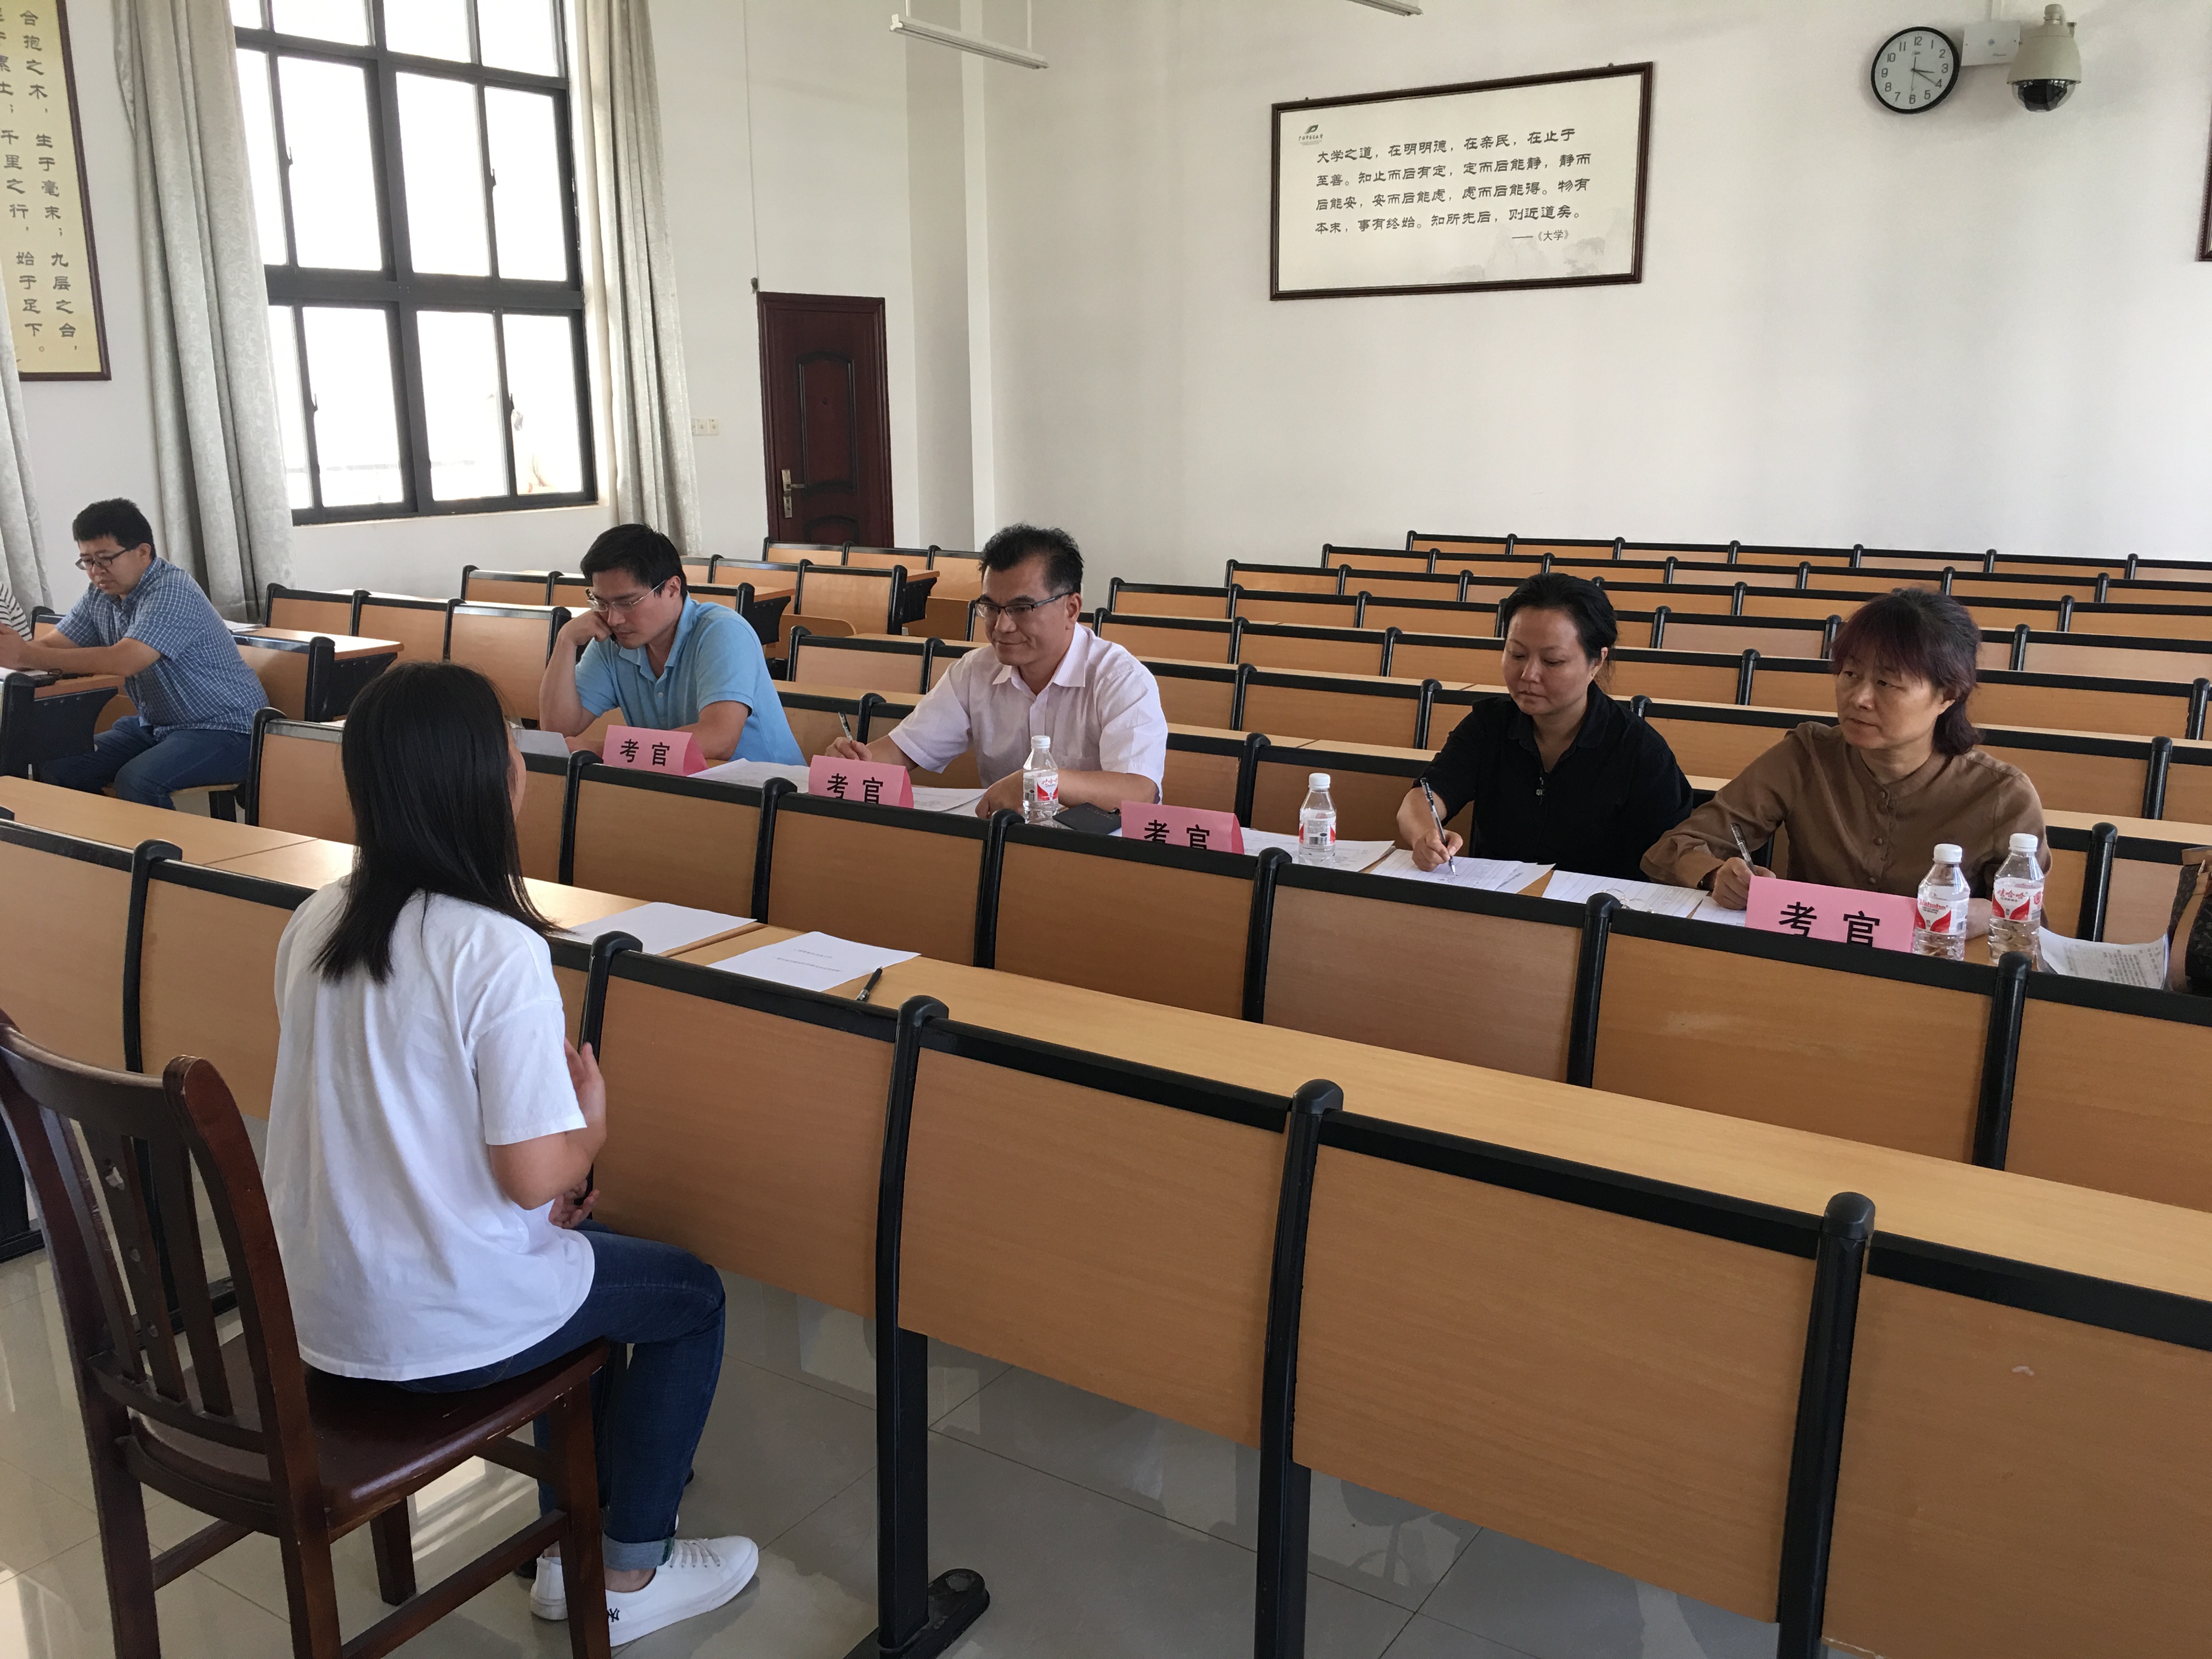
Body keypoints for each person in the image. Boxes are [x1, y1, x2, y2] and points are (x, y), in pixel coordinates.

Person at [264, 661, 755, 1645]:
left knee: (584, 1256)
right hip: (434, 1324)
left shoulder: (316, 917)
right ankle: (629, 1568)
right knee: (691, 1296)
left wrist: (544, 1201)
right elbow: (535, 1174)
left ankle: (571, 1533)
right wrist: (590, 1133)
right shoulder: (494, 946)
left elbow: (397, 1124)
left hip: (315, 1306)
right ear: (496, 778)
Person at [1643, 588, 2047, 906]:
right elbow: (1673, 849)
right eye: (1850, 674)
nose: (1859, 698)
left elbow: (2026, 932)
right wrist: (1716, 876)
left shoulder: (2001, 795)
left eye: (1887, 683)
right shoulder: (1808, 754)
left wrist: (1987, 914)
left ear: (1948, 695)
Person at [826, 523, 1167, 814]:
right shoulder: (975, 671)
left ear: (1071, 609)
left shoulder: (1120, 679)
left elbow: (1139, 791)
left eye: (1021, 608)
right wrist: (854, 765)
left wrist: (1041, 782)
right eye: (991, 607)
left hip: (1091, 851)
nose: (1002, 626)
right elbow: (903, 750)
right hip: (1003, 844)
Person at [1396, 573, 1695, 880]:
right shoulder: (1489, 724)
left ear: (1597, 662)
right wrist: (1425, 835)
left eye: (1552, 661)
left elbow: (1669, 858)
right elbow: (1422, 798)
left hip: (1596, 906)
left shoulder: (1641, 751)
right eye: (1517, 654)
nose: (1529, 674)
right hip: (1492, 901)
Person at [0, 499, 266, 809]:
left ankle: (158, 843)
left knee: (138, 781)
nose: (95, 571)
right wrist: (13, 648)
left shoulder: (172, 590)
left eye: (105, 559)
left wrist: (25, 656)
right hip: (156, 725)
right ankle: (104, 838)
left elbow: (124, 660)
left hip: (228, 728)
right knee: (60, 766)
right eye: (87, 561)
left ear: (143, 552)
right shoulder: (100, 595)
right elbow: (51, 646)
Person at [537, 523, 802, 765]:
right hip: (682, 789)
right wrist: (566, 641)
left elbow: (719, 739)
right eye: (602, 603)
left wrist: (604, 750)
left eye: (627, 603)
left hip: (768, 789)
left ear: (672, 588)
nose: (614, 618)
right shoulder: (613, 639)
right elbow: (558, 731)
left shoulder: (722, 631)